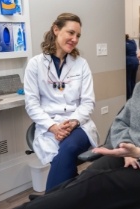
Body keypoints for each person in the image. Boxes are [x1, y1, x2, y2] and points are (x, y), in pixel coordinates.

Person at [15, 19, 140, 209]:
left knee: (96, 186)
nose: (137, 54)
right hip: (135, 156)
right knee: (86, 177)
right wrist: (127, 149)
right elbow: (120, 123)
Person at [24, 13, 99, 191]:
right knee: (63, 159)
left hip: (78, 125)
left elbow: (88, 102)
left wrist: (72, 122)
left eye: (78, 35)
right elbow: (32, 104)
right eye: (70, 33)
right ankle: (71, 197)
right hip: (49, 126)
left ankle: (49, 202)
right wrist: (53, 127)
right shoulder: (35, 64)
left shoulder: (81, 64)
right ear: (56, 29)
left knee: (68, 148)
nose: (74, 39)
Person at [125, 34, 139, 100]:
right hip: (135, 61)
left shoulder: (124, 43)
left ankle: (129, 97)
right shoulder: (133, 42)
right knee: (133, 79)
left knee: (128, 80)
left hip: (129, 62)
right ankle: (134, 95)